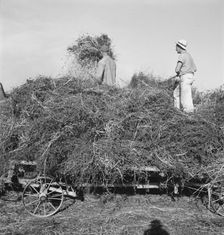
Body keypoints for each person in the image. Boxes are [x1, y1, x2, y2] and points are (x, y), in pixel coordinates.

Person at [173, 39, 197, 113]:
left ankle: (188, 113)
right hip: (190, 76)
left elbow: (177, 69)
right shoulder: (189, 56)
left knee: (185, 96)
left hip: (184, 77)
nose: (175, 48)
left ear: (179, 47)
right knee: (177, 93)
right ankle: (177, 111)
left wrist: (180, 72)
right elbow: (195, 68)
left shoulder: (182, 55)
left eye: (176, 46)